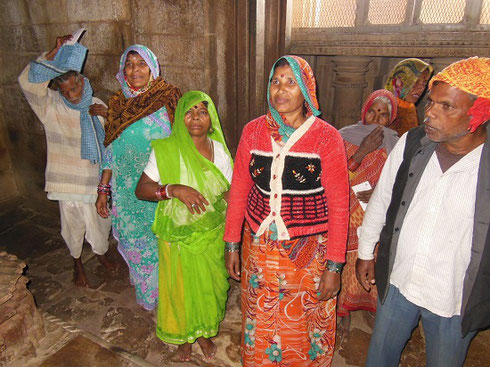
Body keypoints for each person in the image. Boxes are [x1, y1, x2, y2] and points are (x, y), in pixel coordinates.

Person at [356, 56, 490, 367]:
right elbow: (382, 198)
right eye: (431, 102)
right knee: (379, 358)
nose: (429, 113)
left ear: (480, 114)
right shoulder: (412, 144)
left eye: (447, 107)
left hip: (454, 295)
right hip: (401, 278)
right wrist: (365, 250)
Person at [224, 55, 349, 366]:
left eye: (290, 82)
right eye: (275, 82)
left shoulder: (326, 137)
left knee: (300, 323)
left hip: (306, 254)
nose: (281, 89)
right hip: (259, 249)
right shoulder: (253, 131)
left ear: (306, 90)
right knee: (260, 316)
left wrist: (334, 267)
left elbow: (339, 206)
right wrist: (231, 245)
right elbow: (239, 190)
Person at [135, 91, 233, 361]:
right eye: (189, 112)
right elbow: (141, 189)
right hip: (176, 233)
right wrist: (175, 189)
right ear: (179, 118)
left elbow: (229, 191)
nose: (195, 118)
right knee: (179, 287)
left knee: (208, 286)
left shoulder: (220, 150)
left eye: (202, 111)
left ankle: (202, 334)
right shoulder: (166, 150)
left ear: (210, 119)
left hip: (212, 231)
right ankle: (183, 338)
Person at [18, 35, 115, 287]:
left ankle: (100, 253)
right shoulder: (50, 106)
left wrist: (109, 115)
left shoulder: (96, 105)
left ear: (82, 81)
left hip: (94, 182)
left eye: (75, 88)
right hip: (67, 183)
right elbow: (26, 82)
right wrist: (53, 52)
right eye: (64, 91)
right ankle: (77, 262)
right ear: (57, 90)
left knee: (101, 222)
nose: (71, 95)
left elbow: (113, 141)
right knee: (72, 226)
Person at [96, 45, 182, 310]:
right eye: (129, 64)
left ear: (152, 68)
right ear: (123, 70)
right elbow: (110, 148)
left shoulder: (169, 100)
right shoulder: (117, 104)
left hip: (158, 191)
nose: (135, 70)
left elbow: (183, 144)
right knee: (135, 247)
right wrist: (103, 188)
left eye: (141, 63)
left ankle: (169, 298)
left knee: (162, 246)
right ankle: (149, 299)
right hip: (125, 193)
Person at [336, 90, 398, 339]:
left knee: (375, 257)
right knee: (348, 260)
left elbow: (402, 181)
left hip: (379, 213)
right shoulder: (344, 136)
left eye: (383, 114)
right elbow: (335, 176)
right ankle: (343, 312)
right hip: (348, 210)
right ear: (364, 111)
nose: (376, 118)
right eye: (372, 111)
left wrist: (381, 196)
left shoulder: (397, 143)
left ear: (391, 118)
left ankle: (373, 307)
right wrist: (362, 151)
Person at [385, 58, 433, 136]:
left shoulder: (409, 108)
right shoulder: (382, 107)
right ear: (400, 81)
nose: (421, 88)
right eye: (415, 82)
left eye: (424, 83)